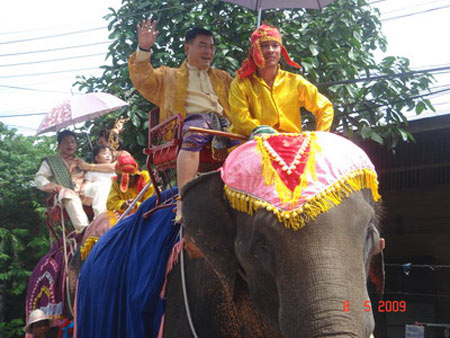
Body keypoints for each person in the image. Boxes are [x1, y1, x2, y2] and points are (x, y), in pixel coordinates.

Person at [128, 19, 235, 221]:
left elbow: (242, 95)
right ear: (188, 47)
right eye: (202, 45)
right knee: (196, 130)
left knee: (248, 144)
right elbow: (143, 78)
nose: (208, 51)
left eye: (211, 47)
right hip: (190, 125)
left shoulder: (223, 77)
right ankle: (183, 199)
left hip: (224, 126)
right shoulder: (169, 75)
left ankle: (247, 196)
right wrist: (144, 48)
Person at [228, 24, 334, 138]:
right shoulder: (241, 83)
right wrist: (261, 131)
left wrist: (320, 137)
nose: (270, 50)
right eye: (264, 46)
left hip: (291, 144)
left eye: (275, 45)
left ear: (281, 50)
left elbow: (325, 107)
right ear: (254, 50)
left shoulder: (295, 81)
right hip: (253, 143)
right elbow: (240, 119)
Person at [35, 130, 89, 231]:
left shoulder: (81, 161)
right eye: (66, 142)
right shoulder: (51, 161)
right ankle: (84, 229)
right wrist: (53, 187)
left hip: (83, 194)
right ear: (59, 145)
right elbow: (39, 178)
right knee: (68, 194)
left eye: (73, 142)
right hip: (61, 195)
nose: (70, 145)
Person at [81, 145, 115, 218]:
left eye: (109, 154)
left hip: (111, 194)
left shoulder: (114, 171)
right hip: (96, 193)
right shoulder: (91, 172)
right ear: (96, 158)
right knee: (101, 186)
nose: (108, 156)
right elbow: (86, 186)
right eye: (104, 154)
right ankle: (100, 215)